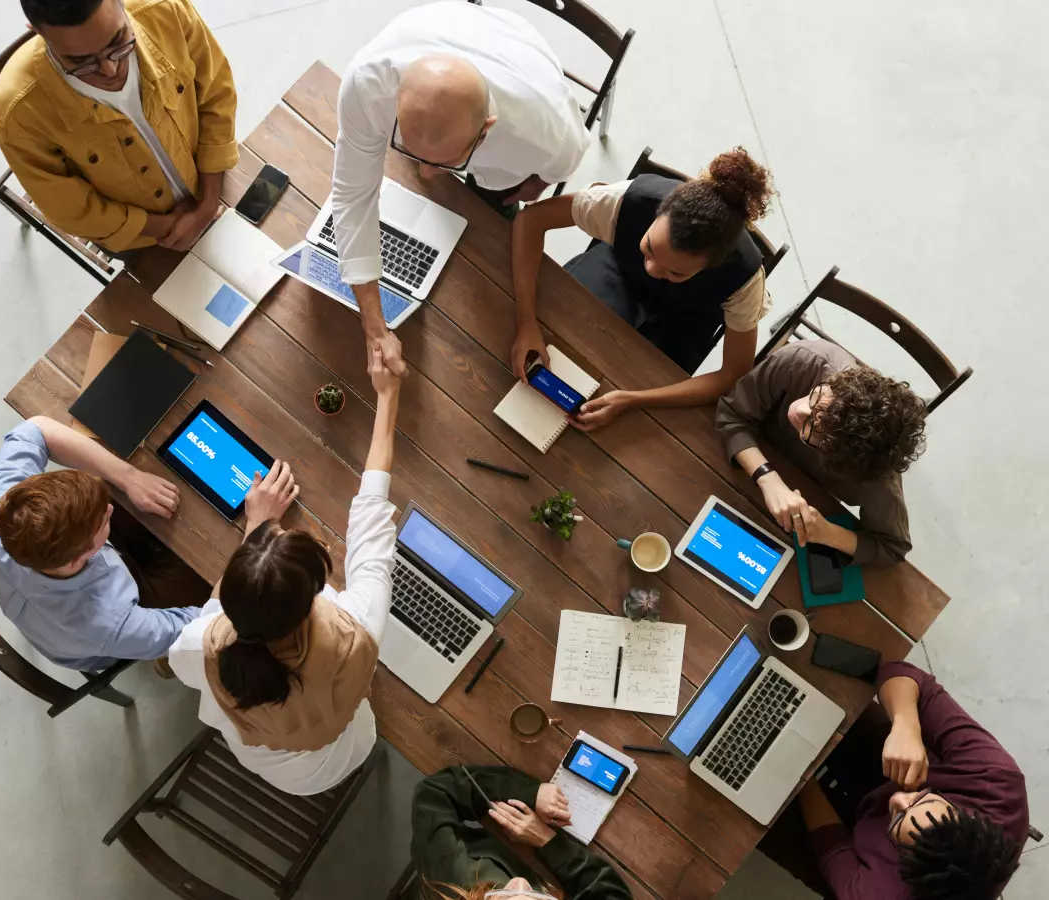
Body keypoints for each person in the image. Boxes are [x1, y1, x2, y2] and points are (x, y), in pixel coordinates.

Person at [169, 345, 402, 795]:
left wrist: (254, 526)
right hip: (340, 752)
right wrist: (389, 396)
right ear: (312, 600)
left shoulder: (201, 644)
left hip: (275, 768)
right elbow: (372, 519)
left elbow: (209, 621)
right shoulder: (356, 630)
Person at [332, 1, 589, 378]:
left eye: (444, 163)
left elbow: (553, 172)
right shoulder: (365, 84)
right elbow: (352, 195)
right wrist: (374, 322)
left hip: (518, 67)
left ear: (486, 129)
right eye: (408, 149)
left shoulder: (548, 138)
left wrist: (531, 187)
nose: (425, 175)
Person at [511, 147, 775, 429]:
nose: (652, 269)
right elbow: (530, 220)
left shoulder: (743, 279)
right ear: (658, 212)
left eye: (675, 271)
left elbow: (733, 373)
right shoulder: (626, 201)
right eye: (649, 248)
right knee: (564, 332)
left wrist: (633, 400)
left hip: (689, 317)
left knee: (640, 386)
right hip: (618, 270)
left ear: (711, 266)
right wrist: (526, 321)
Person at [760, 662, 1026, 899]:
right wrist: (905, 725)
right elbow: (900, 672)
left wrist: (799, 771)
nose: (897, 798)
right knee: (832, 693)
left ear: (904, 864)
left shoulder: (879, 893)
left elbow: (831, 844)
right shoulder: (996, 779)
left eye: (898, 818)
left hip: (853, 836)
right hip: (893, 764)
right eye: (922, 797)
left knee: (763, 815)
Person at [0, 0, 238, 253]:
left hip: (214, 180)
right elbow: (71, 210)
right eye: (81, 62)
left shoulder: (164, 9)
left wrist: (208, 204)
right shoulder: (17, 113)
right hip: (146, 240)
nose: (110, 69)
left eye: (118, 42)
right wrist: (167, 228)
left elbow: (216, 93)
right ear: (37, 31)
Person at [0, 416, 210, 671]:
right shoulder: (107, 624)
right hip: (105, 634)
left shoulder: (2, 509)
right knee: (215, 575)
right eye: (104, 519)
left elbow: (37, 428)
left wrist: (129, 478)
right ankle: (164, 662)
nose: (109, 508)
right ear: (78, 559)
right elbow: (204, 630)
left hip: (58, 601)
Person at [714, 339, 927, 565]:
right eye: (816, 399)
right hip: (738, 464)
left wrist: (827, 533)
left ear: (838, 457)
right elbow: (731, 414)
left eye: (813, 428)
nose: (798, 409)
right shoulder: (805, 360)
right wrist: (768, 479)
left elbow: (892, 547)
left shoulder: (876, 475)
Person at [408, 765, 631, 900]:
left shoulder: (449, 878)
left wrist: (527, 792)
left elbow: (434, 794)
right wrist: (547, 841)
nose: (521, 882)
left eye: (502, 896)